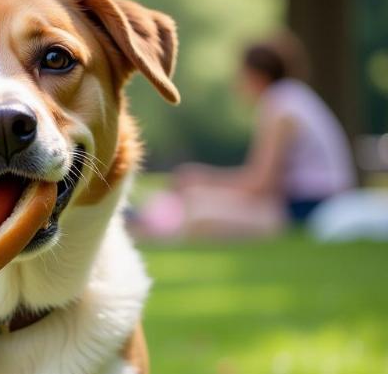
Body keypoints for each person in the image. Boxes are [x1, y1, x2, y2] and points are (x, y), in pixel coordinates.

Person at [142, 33, 357, 239]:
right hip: (307, 202)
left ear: (256, 76)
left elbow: (260, 185)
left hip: (306, 209)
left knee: (199, 213)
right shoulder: (292, 97)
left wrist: (203, 179)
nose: (237, 84)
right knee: (197, 203)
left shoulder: (280, 108)